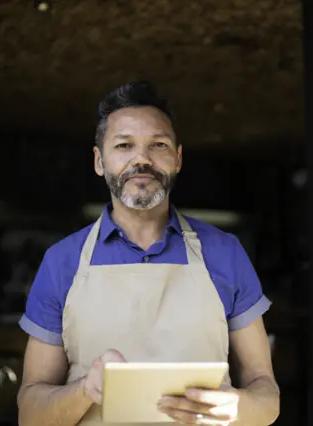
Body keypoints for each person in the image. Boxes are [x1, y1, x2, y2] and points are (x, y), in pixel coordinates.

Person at [16, 80, 280, 426]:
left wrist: (238, 408)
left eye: (158, 145)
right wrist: (85, 391)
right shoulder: (61, 263)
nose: (142, 159)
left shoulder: (225, 253)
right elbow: (31, 413)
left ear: (178, 158)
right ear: (100, 161)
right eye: (124, 145)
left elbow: (267, 396)